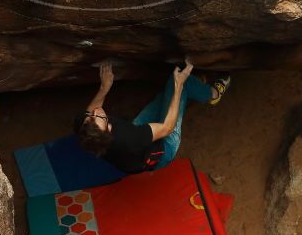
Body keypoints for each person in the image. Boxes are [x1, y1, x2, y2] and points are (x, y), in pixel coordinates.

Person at [73, 59, 230, 173]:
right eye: (99, 117)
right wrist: (179, 86)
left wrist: (104, 87)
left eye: (91, 116)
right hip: (165, 148)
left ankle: (190, 89)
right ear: (109, 128)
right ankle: (212, 94)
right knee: (180, 84)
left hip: (138, 145)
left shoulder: (86, 129)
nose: (97, 111)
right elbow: (167, 128)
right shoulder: (130, 138)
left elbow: (92, 109)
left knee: (165, 97)